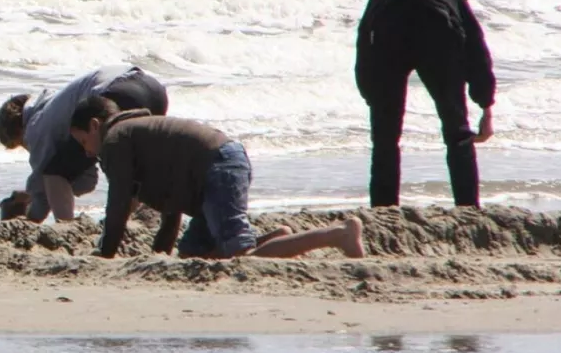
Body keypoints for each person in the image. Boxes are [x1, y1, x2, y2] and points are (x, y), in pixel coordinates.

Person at [69, 95, 365, 260]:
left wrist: (105, 254)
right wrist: (161, 252)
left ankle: (339, 234)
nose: (86, 153)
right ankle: (278, 240)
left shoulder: (116, 140)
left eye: (83, 142)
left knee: (243, 257)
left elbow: (118, 203)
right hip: (221, 165)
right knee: (192, 256)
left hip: (218, 168)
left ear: (95, 126)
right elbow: (170, 206)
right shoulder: (139, 132)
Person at [355, 0, 495, 208]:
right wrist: (485, 104)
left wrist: (370, 91)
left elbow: (365, 34)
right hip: (438, 27)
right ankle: (467, 208)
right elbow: (475, 41)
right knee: (458, 132)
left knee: (385, 137)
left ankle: (384, 209)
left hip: (391, 24)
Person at [0, 65, 168, 223]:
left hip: (117, 95)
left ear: (19, 131)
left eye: (22, 145)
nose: (29, 149)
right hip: (153, 90)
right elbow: (86, 180)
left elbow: (49, 180)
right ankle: (131, 220)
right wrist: (31, 194)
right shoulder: (53, 106)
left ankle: (66, 227)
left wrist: (26, 215)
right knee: (133, 164)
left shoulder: (35, 128)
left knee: (55, 172)